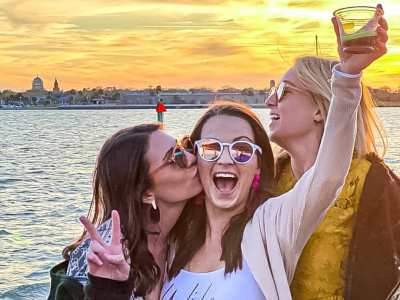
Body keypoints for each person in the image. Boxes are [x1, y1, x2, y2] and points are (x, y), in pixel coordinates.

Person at [73, 10, 388, 300]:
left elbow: (327, 177)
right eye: (211, 148)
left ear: (256, 167)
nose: (225, 159)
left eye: (241, 149)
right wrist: (109, 288)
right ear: (198, 162)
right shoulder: (171, 244)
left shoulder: (270, 227)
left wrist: (347, 79)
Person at [265, 14, 399, 300]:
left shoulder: (374, 182)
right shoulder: (268, 178)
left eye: (282, 90)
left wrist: (349, 76)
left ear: (319, 109)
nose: (269, 101)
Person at [48, 123, 203, 299]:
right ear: (145, 192)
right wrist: (107, 289)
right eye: (176, 157)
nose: (192, 157)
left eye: (185, 147)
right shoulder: (104, 255)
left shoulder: (183, 237)